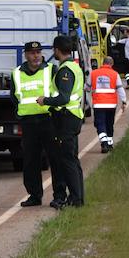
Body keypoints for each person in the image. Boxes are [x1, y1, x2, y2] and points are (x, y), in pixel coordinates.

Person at [11, 41, 67, 209]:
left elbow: (59, 93)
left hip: (48, 120)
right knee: (30, 161)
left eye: (38, 52)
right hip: (28, 123)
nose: (36, 56)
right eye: (32, 53)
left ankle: (59, 196)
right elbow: (14, 97)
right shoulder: (16, 73)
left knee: (55, 159)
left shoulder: (51, 70)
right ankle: (34, 195)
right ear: (26, 55)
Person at [37, 35, 85, 208]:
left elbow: (64, 98)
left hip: (67, 118)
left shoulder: (65, 70)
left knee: (67, 160)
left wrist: (45, 100)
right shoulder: (74, 66)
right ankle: (78, 197)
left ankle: (75, 199)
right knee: (72, 159)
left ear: (57, 50)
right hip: (73, 116)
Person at [90, 56, 126, 154]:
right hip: (111, 105)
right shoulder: (115, 74)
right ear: (112, 64)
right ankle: (109, 143)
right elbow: (120, 89)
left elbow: (87, 87)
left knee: (100, 124)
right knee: (109, 123)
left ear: (103, 63)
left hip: (98, 104)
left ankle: (104, 143)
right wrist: (124, 101)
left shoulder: (93, 73)